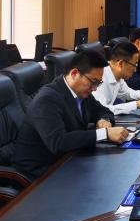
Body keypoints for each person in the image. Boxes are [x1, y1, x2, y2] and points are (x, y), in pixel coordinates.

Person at [12, 50, 131, 180]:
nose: (95, 88)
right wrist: (105, 133)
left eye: (98, 83)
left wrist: (103, 120)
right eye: (93, 82)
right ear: (74, 73)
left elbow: (102, 110)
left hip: (69, 159)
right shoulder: (47, 99)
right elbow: (59, 142)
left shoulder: (81, 92)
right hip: (42, 172)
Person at [93, 39, 140, 115]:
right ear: (121, 63)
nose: (135, 70)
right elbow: (102, 110)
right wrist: (137, 104)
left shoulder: (117, 75)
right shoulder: (100, 78)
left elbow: (127, 92)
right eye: (134, 65)